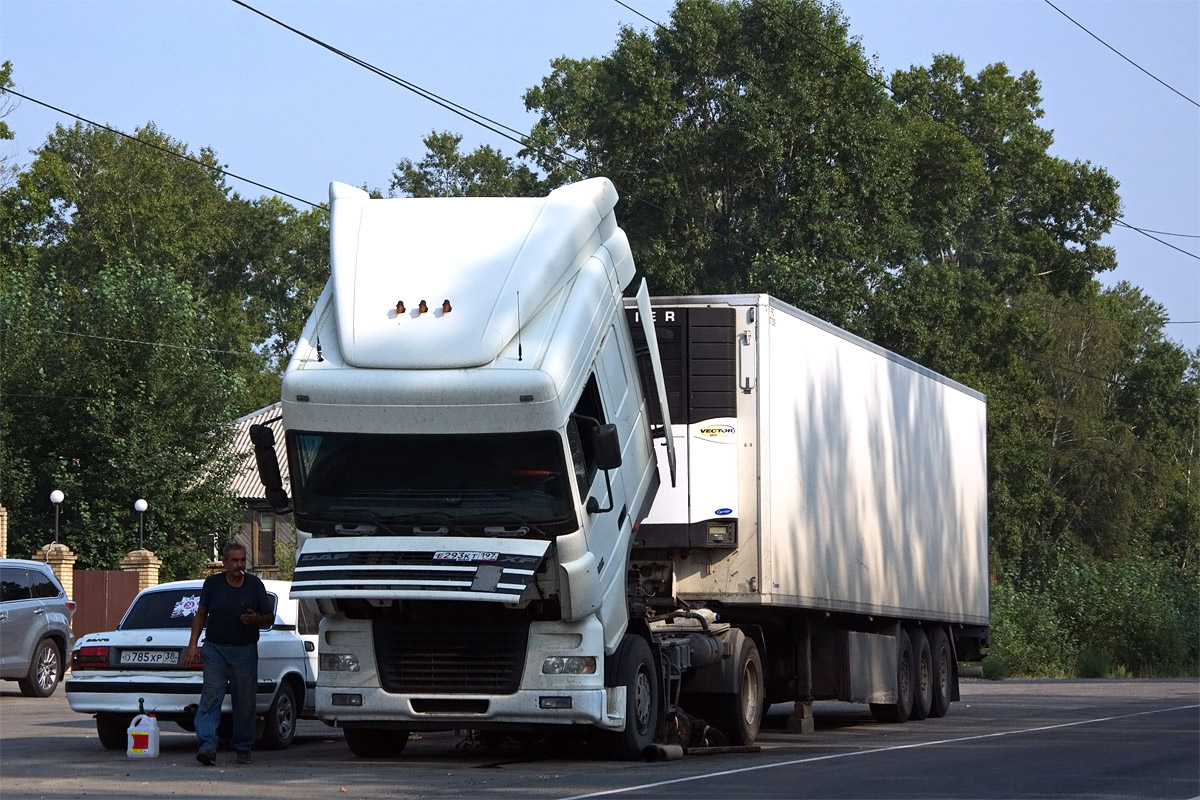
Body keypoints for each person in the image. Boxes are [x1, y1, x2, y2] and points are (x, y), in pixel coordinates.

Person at [184, 542, 274, 766]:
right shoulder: (213, 583)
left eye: (243, 560)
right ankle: (207, 746)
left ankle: (243, 748)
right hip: (215, 649)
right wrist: (193, 645)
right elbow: (201, 614)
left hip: (244, 650)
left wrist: (256, 620)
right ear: (224, 563)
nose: (239, 565)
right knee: (211, 697)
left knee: (244, 701)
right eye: (234, 561)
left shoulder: (254, 585)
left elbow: (269, 617)